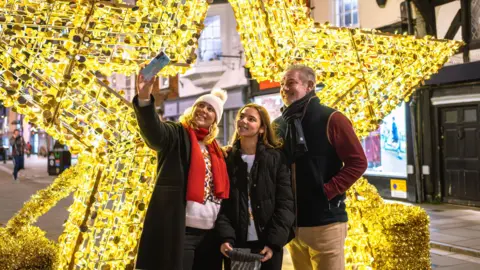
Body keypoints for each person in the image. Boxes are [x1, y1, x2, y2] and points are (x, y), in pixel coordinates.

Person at [273, 64, 368, 270]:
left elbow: (358, 162)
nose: (284, 88)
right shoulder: (279, 124)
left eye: (290, 82)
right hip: (292, 224)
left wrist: (326, 191)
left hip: (325, 222)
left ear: (310, 86)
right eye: (281, 84)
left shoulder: (332, 118)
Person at [133, 74, 229, 270]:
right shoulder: (176, 134)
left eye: (210, 109)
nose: (204, 110)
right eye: (200, 105)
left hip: (210, 235)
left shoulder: (216, 150)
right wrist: (144, 98)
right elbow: (155, 134)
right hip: (180, 232)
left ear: (215, 120)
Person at [216, 104, 295, 270]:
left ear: (261, 129)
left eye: (251, 119)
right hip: (236, 244)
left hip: (266, 244)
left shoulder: (275, 158)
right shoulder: (227, 158)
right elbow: (221, 203)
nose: (243, 121)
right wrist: (226, 237)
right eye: (242, 116)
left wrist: (274, 243)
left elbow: (286, 204)